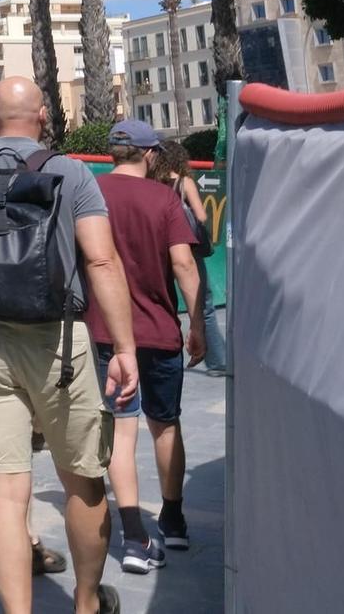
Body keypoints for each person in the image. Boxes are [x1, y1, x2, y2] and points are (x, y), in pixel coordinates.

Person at [0, 76, 140, 614]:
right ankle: (87, 603)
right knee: (83, 478)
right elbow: (102, 261)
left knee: (4, 488)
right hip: (59, 345)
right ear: (43, 117)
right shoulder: (71, 173)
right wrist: (127, 347)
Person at [91, 121, 206, 573]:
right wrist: (196, 323)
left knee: (121, 429)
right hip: (158, 330)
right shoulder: (164, 199)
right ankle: (173, 519)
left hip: (103, 332)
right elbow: (183, 263)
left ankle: (133, 536)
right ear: (150, 154)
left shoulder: (93, 193)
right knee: (165, 425)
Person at [150, 141, 227, 373]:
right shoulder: (184, 183)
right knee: (203, 305)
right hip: (188, 252)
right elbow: (201, 217)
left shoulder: (154, 184)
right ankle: (217, 361)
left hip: (161, 250)